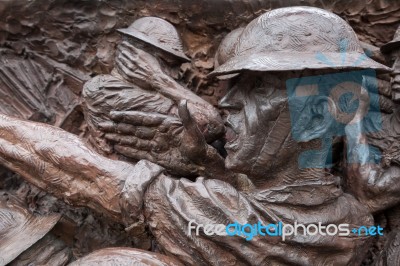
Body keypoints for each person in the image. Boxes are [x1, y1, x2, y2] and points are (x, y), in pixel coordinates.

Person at [0, 7, 393, 265]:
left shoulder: (231, 217)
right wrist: (209, 165)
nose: (227, 104)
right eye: (231, 87)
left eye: (256, 89)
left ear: (316, 117)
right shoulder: (352, 222)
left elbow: (81, 172)